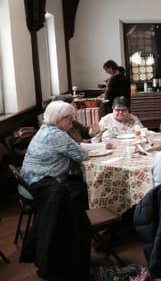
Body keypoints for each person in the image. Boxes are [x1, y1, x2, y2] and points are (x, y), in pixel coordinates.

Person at [20, 101, 91, 280]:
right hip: (42, 183)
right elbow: (82, 154)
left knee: (76, 190)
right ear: (59, 119)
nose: (72, 121)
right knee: (77, 194)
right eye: (69, 118)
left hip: (29, 182)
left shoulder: (45, 130)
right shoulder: (57, 134)